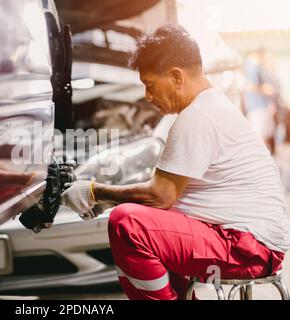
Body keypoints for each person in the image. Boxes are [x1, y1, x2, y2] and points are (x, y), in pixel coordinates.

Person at [62, 25, 290, 300]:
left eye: (150, 85)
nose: (148, 96)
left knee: (128, 224)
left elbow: (160, 195)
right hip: (250, 242)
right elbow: (165, 199)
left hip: (247, 248)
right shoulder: (210, 106)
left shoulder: (198, 116)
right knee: (150, 221)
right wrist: (108, 199)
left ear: (176, 76)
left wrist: (94, 191)